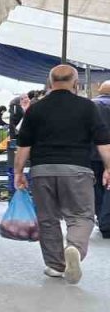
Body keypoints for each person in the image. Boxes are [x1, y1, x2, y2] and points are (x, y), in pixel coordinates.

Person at [14, 65, 110, 284]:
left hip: (42, 171)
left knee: (48, 219)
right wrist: (108, 168)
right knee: (81, 215)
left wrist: (18, 172)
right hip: (77, 170)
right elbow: (103, 142)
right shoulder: (87, 107)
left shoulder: (36, 109)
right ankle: (74, 247)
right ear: (75, 83)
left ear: (50, 83)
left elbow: (24, 146)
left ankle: (56, 266)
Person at [95, 81, 110, 237]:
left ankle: (101, 216)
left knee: (96, 186)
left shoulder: (90, 105)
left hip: (92, 153)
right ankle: (106, 221)